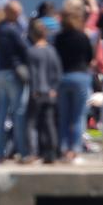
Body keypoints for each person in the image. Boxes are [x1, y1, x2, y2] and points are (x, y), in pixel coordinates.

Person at [53, 1, 93, 160]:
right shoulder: (83, 36)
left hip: (63, 77)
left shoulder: (58, 37)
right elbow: (90, 57)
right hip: (81, 76)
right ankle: (74, 150)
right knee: (78, 117)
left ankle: (62, 148)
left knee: (63, 116)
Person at [0, 0, 29, 162]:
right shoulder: (13, 30)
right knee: (18, 112)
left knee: (1, 113)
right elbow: (24, 49)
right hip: (13, 74)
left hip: (0, 72)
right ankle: (22, 151)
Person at [26, 20, 62, 163]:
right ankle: (51, 152)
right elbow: (57, 72)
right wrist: (54, 88)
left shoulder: (31, 51)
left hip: (37, 91)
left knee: (32, 123)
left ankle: (33, 152)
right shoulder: (52, 50)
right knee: (49, 123)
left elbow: (32, 73)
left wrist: (34, 89)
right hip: (50, 92)